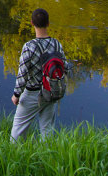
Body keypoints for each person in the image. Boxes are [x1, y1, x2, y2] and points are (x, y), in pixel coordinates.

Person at [10, 8, 67, 142]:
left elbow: (22, 74)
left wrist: (16, 95)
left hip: (32, 94)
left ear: (31, 23)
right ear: (48, 23)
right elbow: (65, 68)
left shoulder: (29, 46)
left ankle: (13, 158)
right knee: (47, 131)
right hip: (51, 92)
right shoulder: (56, 44)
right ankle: (46, 158)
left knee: (17, 133)